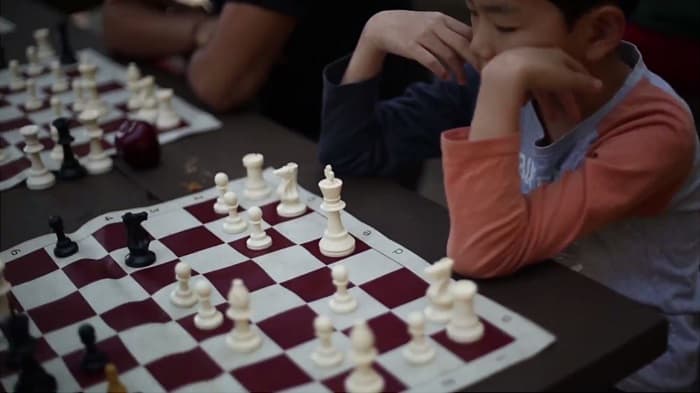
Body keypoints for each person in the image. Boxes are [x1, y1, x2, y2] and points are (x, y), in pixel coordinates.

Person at [319, 0, 699, 391]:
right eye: (474, 15)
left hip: (632, 364)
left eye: (504, 27)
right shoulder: (502, 74)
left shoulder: (653, 131)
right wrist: (373, 37)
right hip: (528, 316)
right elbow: (350, 156)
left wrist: (500, 85)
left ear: (598, 32)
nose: (480, 45)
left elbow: (480, 253)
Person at [102, 0, 425, 138]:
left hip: (359, 135)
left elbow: (219, 83)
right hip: (271, 123)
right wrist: (201, 29)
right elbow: (116, 21)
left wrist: (199, 36)